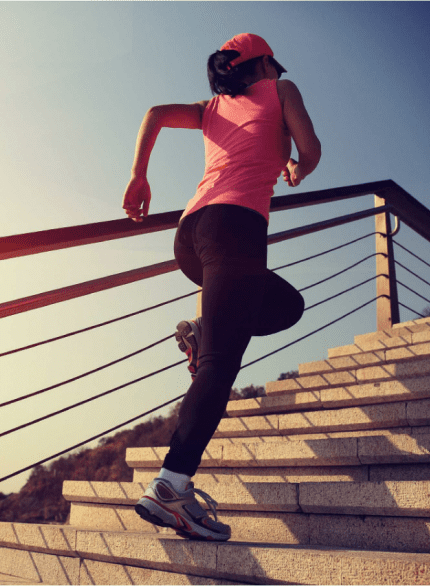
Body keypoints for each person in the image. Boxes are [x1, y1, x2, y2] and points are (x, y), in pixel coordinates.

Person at [121, 33, 321, 541]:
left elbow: (154, 112)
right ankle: (171, 487)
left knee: (285, 304)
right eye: (275, 64)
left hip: (191, 235)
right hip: (235, 228)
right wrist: (297, 166)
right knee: (220, 364)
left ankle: (205, 326)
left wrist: (138, 176)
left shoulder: (212, 106)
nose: (279, 71)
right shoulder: (283, 90)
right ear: (264, 64)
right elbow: (312, 148)